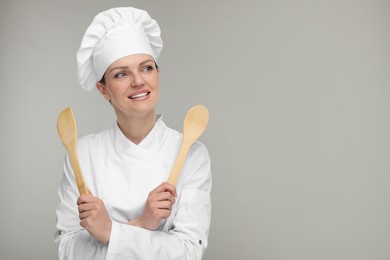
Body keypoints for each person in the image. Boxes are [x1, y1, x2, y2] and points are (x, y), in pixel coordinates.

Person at [55, 7, 212, 260]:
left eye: (147, 68)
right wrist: (142, 223)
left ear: (157, 74)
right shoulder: (81, 154)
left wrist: (110, 232)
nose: (138, 81)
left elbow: (188, 251)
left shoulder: (191, 153)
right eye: (121, 74)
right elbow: (68, 251)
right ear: (103, 90)